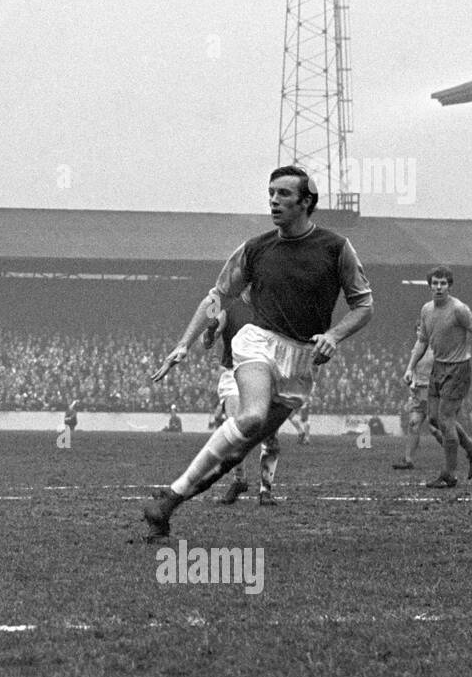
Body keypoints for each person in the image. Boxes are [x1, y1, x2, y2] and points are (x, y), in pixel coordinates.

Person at [141, 166, 372, 541]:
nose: (274, 201)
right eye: (271, 193)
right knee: (250, 418)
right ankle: (168, 498)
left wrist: (334, 334)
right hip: (258, 343)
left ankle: (168, 503)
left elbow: (364, 306)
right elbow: (217, 296)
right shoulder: (255, 248)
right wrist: (184, 343)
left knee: (236, 453)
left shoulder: (336, 248)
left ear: (306, 201)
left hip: (300, 361)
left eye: (283, 194)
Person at [404, 265, 472, 487]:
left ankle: (449, 474)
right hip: (438, 367)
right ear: (430, 286)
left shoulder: (459, 309)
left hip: (458, 369)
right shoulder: (426, 310)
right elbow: (422, 340)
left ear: (449, 286)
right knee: (433, 418)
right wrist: (410, 367)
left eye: (443, 283)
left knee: (445, 420)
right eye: (435, 283)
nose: (439, 287)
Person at [204, 293, 281, 507]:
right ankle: (239, 480)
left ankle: (266, 489)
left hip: (264, 375)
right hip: (232, 373)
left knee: (270, 436)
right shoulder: (230, 308)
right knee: (234, 430)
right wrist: (210, 331)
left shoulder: (273, 308)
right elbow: (208, 341)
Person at [391, 328, 446, 470]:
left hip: (433, 391)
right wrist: (412, 382)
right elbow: (412, 369)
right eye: (417, 330)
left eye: (421, 330)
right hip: (418, 392)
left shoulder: (436, 347)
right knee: (413, 424)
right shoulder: (416, 347)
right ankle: (408, 460)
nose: (418, 333)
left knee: (435, 429)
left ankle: (450, 453)